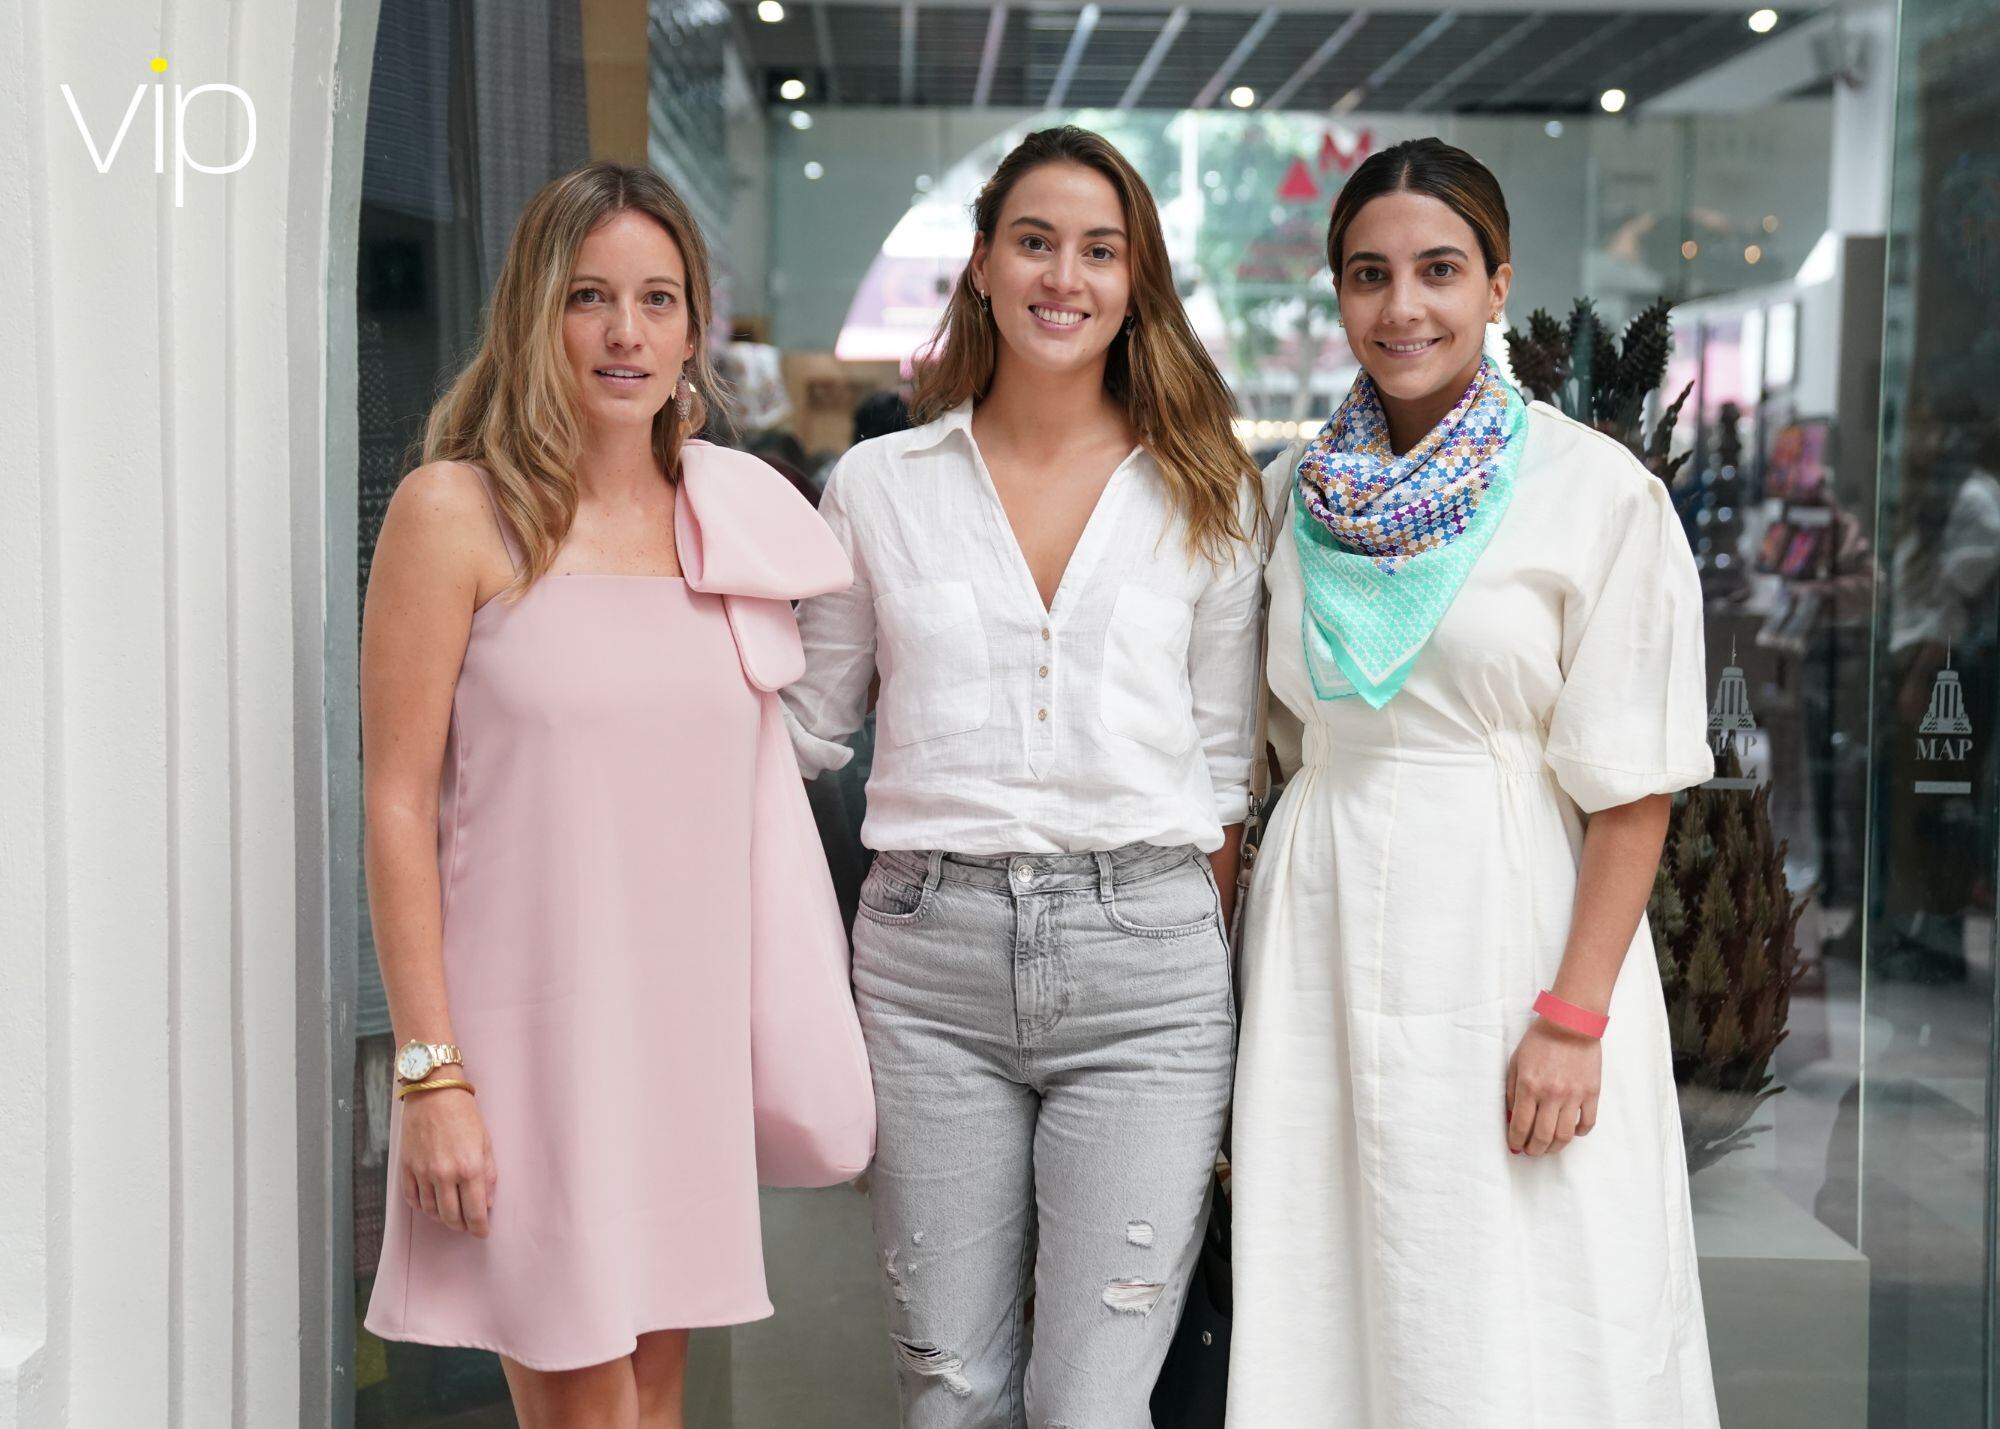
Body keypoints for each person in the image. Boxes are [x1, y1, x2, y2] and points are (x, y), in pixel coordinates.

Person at [1227, 138, 1720, 1427]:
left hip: (1515, 926)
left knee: (1526, 1287)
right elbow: (1259, 749)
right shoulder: (1288, 498)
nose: (1403, 308)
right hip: (1319, 929)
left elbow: (1631, 789)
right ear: (1335, 294)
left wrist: (1572, 1015)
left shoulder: (1593, 492)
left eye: (1439, 270)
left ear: (1498, 284)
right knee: (1332, 1283)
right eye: (1369, 274)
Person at [782, 125, 1263, 1428]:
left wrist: (1191, 953)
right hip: (928, 964)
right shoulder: (878, 487)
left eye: (1101, 251)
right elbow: (809, 727)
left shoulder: (1207, 489)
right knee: (948, 1385)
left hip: (1148, 979)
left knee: (1095, 1401)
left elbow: (1225, 772)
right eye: (1035, 242)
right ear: (982, 267)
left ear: (1135, 281)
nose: (1066, 276)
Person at [359, 160, 852, 1429]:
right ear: (535, 312)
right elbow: (397, 806)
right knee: (590, 1414)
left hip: (676, 1044)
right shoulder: (453, 513)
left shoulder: (728, 522)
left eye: (656, 298)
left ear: (694, 329)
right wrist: (431, 1074)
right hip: (522, 1047)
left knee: (652, 1402)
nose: (624, 332)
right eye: (589, 296)